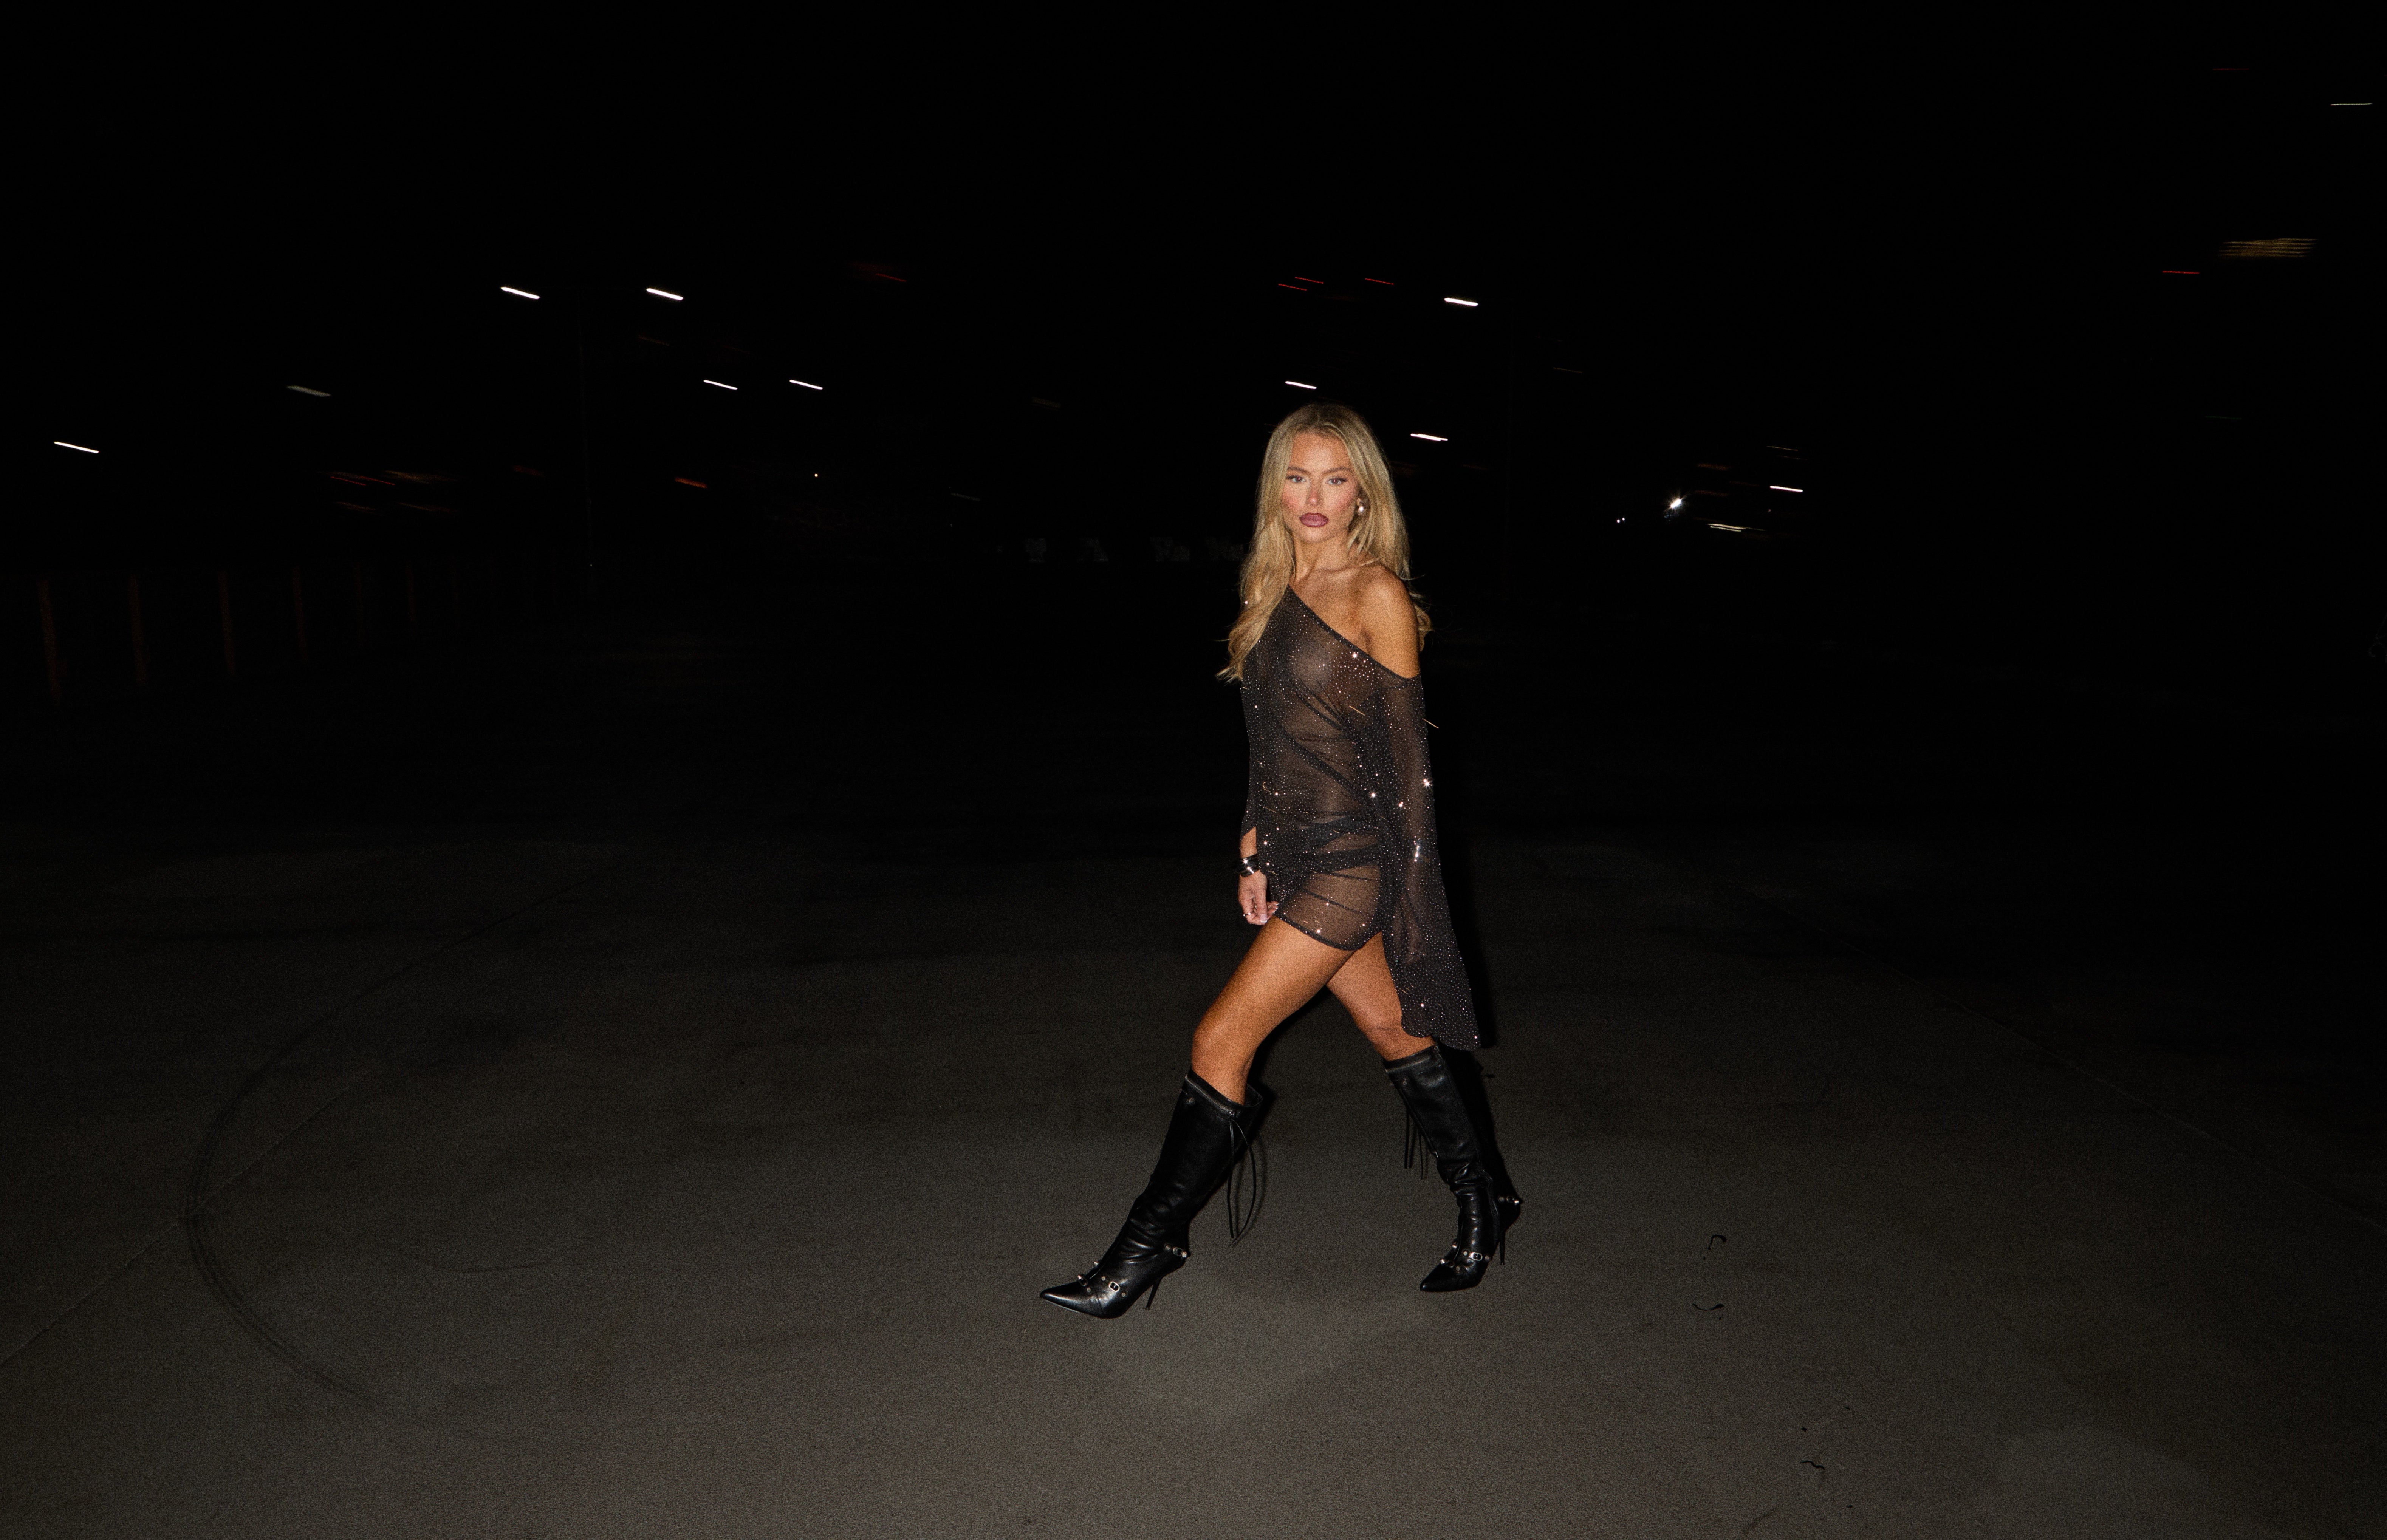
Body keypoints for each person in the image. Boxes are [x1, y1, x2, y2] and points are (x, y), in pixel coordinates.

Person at [1041, 402, 1519, 1319]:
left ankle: (1145, 1247)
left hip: (1355, 860)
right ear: (1275, 487)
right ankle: (1484, 1195)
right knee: (1394, 1030)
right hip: (1296, 850)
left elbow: (1411, 770)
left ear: (1362, 495)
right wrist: (1253, 838)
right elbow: (1271, 737)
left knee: (1220, 1039)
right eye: (1298, 476)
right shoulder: (1271, 581)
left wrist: (1413, 897)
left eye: (1335, 479)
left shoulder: (1373, 592)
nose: (1314, 497)